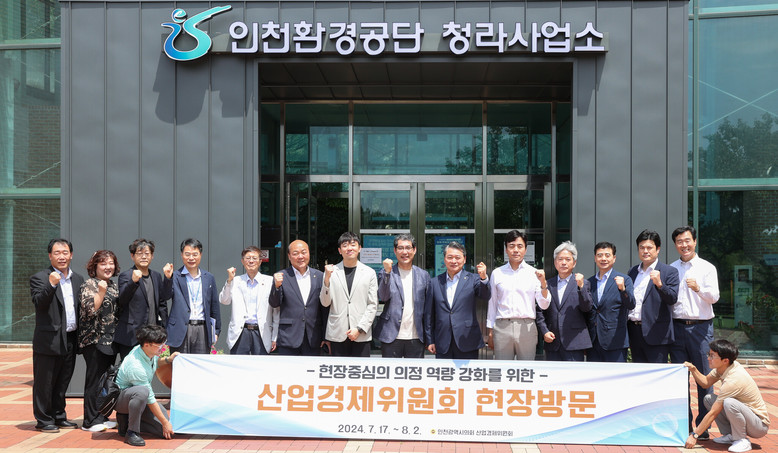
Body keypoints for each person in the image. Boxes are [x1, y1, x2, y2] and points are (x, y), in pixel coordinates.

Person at [29, 238, 85, 432]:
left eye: (65, 252)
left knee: (63, 380)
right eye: (57, 253)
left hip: (70, 337)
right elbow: (39, 303)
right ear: (50, 256)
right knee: (44, 382)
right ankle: (44, 420)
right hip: (49, 339)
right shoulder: (40, 278)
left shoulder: (78, 279)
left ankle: (59, 416)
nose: (62, 256)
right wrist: (51, 285)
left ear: (71, 255)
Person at [670, 225, 720, 438]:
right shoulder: (671, 268)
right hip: (676, 327)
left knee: (704, 379)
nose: (684, 245)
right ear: (675, 245)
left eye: (687, 240)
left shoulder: (706, 268)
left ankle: (703, 427)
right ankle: (684, 424)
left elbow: (715, 297)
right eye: (679, 241)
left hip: (700, 328)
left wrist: (699, 288)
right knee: (679, 379)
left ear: (695, 241)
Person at [684, 340, 769, 453]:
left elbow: (713, 413)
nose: (708, 358)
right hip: (747, 417)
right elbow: (705, 383)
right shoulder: (724, 367)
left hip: (758, 426)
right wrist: (693, 369)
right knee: (709, 399)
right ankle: (731, 435)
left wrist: (694, 435)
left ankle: (741, 439)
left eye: (712, 356)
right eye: (709, 354)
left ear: (725, 360)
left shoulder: (733, 379)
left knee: (729, 403)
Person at [486, 230, 550, 360]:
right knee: (503, 368)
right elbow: (492, 303)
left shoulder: (534, 273)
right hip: (502, 327)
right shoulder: (497, 273)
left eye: (520, 246)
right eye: (511, 246)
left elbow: (544, 305)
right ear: (506, 249)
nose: (516, 250)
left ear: (525, 249)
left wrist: (543, 283)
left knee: (526, 368)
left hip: (527, 327)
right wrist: (490, 331)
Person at [78, 250, 121, 432]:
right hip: (94, 340)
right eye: (103, 263)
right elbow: (90, 310)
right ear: (94, 266)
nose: (107, 267)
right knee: (94, 380)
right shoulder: (89, 284)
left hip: (110, 341)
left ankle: (102, 416)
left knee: (105, 380)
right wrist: (101, 292)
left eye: (111, 263)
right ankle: (89, 421)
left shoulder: (114, 285)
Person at [115, 324, 178, 447]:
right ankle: (132, 432)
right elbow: (150, 398)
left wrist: (168, 359)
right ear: (147, 344)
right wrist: (165, 423)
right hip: (123, 399)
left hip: (139, 399)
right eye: (159, 345)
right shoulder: (136, 365)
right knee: (142, 392)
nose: (162, 347)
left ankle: (126, 422)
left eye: (163, 343)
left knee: (164, 430)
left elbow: (155, 362)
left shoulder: (146, 352)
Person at [428, 241, 490, 359]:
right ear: (444, 259)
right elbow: (429, 315)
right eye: (450, 257)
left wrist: (483, 278)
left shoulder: (474, 279)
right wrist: (430, 340)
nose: (453, 261)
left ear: (464, 259)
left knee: (467, 371)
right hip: (442, 341)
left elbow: (486, 296)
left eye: (457, 257)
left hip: (467, 339)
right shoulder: (434, 282)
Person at [374, 234, 432, 358]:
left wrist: (429, 337)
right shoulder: (386, 273)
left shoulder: (423, 275)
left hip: (416, 336)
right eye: (400, 248)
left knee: (415, 370)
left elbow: (428, 309)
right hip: (391, 336)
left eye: (408, 248)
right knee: (391, 370)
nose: (404, 252)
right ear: (395, 251)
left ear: (414, 250)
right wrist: (387, 273)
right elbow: (383, 297)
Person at [321, 232, 378, 357]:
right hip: (337, 332)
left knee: (361, 368)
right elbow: (325, 303)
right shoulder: (331, 272)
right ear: (339, 250)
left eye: (353, 244)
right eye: (345, 245)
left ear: (359, 248)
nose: (349, 248)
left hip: (361, 333)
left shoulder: (369, 273)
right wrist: (327, 280)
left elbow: (373, 305)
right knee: (338, 368)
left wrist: (359, 329)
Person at [115, 239, 173, 360]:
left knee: (149, 368)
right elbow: (122, 300)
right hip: (131, 335)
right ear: (132, 256)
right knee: (132, 369)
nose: (144, 257)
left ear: (152, 256)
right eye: (139, 253)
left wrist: (167, 279)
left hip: (152, 335)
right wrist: (133, 282)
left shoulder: (156, 276)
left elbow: (164, 300)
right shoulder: (126, 275)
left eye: (147, 253)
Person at [627, 229, 679, 363]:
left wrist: (660, 284)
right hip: (634, 331)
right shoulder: (633, 271)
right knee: (638, 372)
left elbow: (672, 298)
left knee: (657, 373)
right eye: (641, 247)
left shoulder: (669, 271)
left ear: (658, 249)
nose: (645, 251)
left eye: (649, 247)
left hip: (657, 334)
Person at [536, 241, 593, 361]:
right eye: (560, 259)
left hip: (574, 341)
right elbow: (540, 311)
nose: (563, 263)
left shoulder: (583, 283)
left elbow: (587, 308)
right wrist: (544, 331)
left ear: (574, 263)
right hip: (553, 341)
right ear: (555, 262)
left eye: (568, 259)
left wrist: (581, 287)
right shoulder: (547, 284)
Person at [269, 240, 328, 356]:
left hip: (313, 337)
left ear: (309, 253)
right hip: (289, 337)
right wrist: (276, 287)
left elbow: (324, 309)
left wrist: (325, 336)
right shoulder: (282, 276)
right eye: (295, 253)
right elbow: (274, 304)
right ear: (289, 256)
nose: (300, 256)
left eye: (303, 252)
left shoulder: (319, 276)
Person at [219, 246, 279, 355]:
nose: (251, 261)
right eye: (248, 258)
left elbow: (276, 311)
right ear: (242, 261)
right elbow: (224, 300)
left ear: (260, 262)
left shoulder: (270, 281)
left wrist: (275, 336)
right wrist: (229, 281)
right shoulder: (235, 281)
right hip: (240, 332)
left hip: (262, 332)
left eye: (254, 258)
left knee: (260, 364)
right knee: (238, 364)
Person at [166, 238, 221, 354]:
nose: (191, 258)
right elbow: (165, 296)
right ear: (182, 255)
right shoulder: (175, 276)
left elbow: (214, 305)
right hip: (180, 329)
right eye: (187, 254)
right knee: (180, 362)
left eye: (195, 254)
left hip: (202, 329)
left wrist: (216, 331)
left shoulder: (208, 277)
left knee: (200, 363)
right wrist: (167, 279)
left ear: (200, 255)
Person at [586, 242, 635, 362]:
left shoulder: (624, 279)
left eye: (607, 255)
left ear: (614, 258)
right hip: (594, 341)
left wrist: (622, 289)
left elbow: (631, 304)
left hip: (615, 340)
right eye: (600, 255)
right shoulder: (589, 282)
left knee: (616, 374)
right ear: (595, 258)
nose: (603, 258)